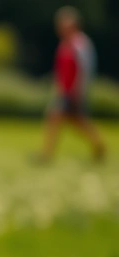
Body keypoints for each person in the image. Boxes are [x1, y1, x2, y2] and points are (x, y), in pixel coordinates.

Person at [35, 6, 106, 163]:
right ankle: (99, 145)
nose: (60, 28)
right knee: (76, 122)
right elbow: (61, 71)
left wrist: (79, 90)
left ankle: (46, 154)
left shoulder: (80, 44)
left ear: (74, 25)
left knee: (56, 117)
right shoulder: (64, 44)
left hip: (74, 91)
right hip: (65, 91)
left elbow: (85, 70)